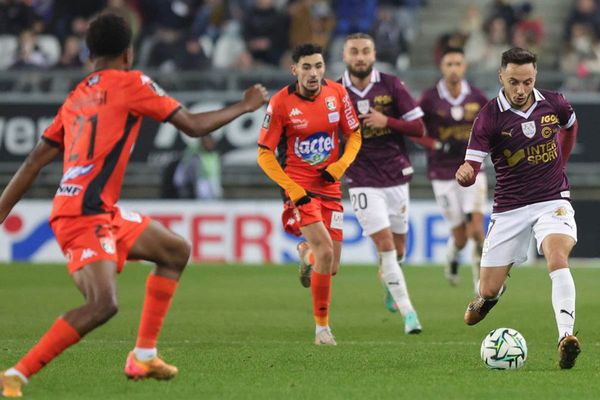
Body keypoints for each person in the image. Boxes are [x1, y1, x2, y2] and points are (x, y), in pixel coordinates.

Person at [0, 13, 267, 397]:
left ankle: (143, 356)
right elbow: (193, 125)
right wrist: (244, 105)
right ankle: (16, 374)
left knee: (174, 251)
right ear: (129, 53)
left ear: (89, 55)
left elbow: (32, 163)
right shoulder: (132, 82)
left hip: (93, 209)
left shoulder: (76, 96)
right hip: (83, 213)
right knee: (102, 304)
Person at [456, 47, 580, 369]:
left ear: (535, 75)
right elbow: (472, 165)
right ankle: (491, 296)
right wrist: (466, 174)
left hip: (552, 199)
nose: (521, 89)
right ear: (501, 77)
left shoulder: (555, 103)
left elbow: (570, 125)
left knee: (557, 257)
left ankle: (565, 336)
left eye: (527, 81)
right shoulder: (488, 117)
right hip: (510, 208)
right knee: (487, 288)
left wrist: (562, 162)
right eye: (514, 82)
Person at [257, 43, 361, 345]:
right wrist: (293, 189)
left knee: (331, 265)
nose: (313, 73)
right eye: (306, 67)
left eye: (318, 66)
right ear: (294, 70)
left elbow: (354, 135)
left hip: (330, 186)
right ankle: (322, 330)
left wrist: (340, 166)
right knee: (325, 252)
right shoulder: (280, 103)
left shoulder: (337, 94)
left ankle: (306, 252)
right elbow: (264, 153)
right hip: (299, 188)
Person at [340, 32, 425, 334]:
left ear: (374, 55)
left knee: (399, 250)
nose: (360, 57)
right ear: (344, 56)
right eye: (354, 51)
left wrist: (386, 121)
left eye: (365, 51)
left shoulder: (391, 84)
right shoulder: (335, 91)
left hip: (395, 174)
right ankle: (409, 314)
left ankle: (390, 280)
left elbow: (418, 127)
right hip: (361, 177)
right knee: (386, 245)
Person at [414, 47, 488, 291]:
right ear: (441, 67)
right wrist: (437, 144)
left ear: (464, 67)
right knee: (461, 237)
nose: (454, 69)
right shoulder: (429, 98)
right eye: (449, 64)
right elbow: (414, 130)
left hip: (472, 169)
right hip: (442, 172)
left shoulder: (477, 96)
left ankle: (480, 285)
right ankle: (453, 256)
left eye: (458, 64)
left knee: (476, 231)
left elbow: (491, 127)